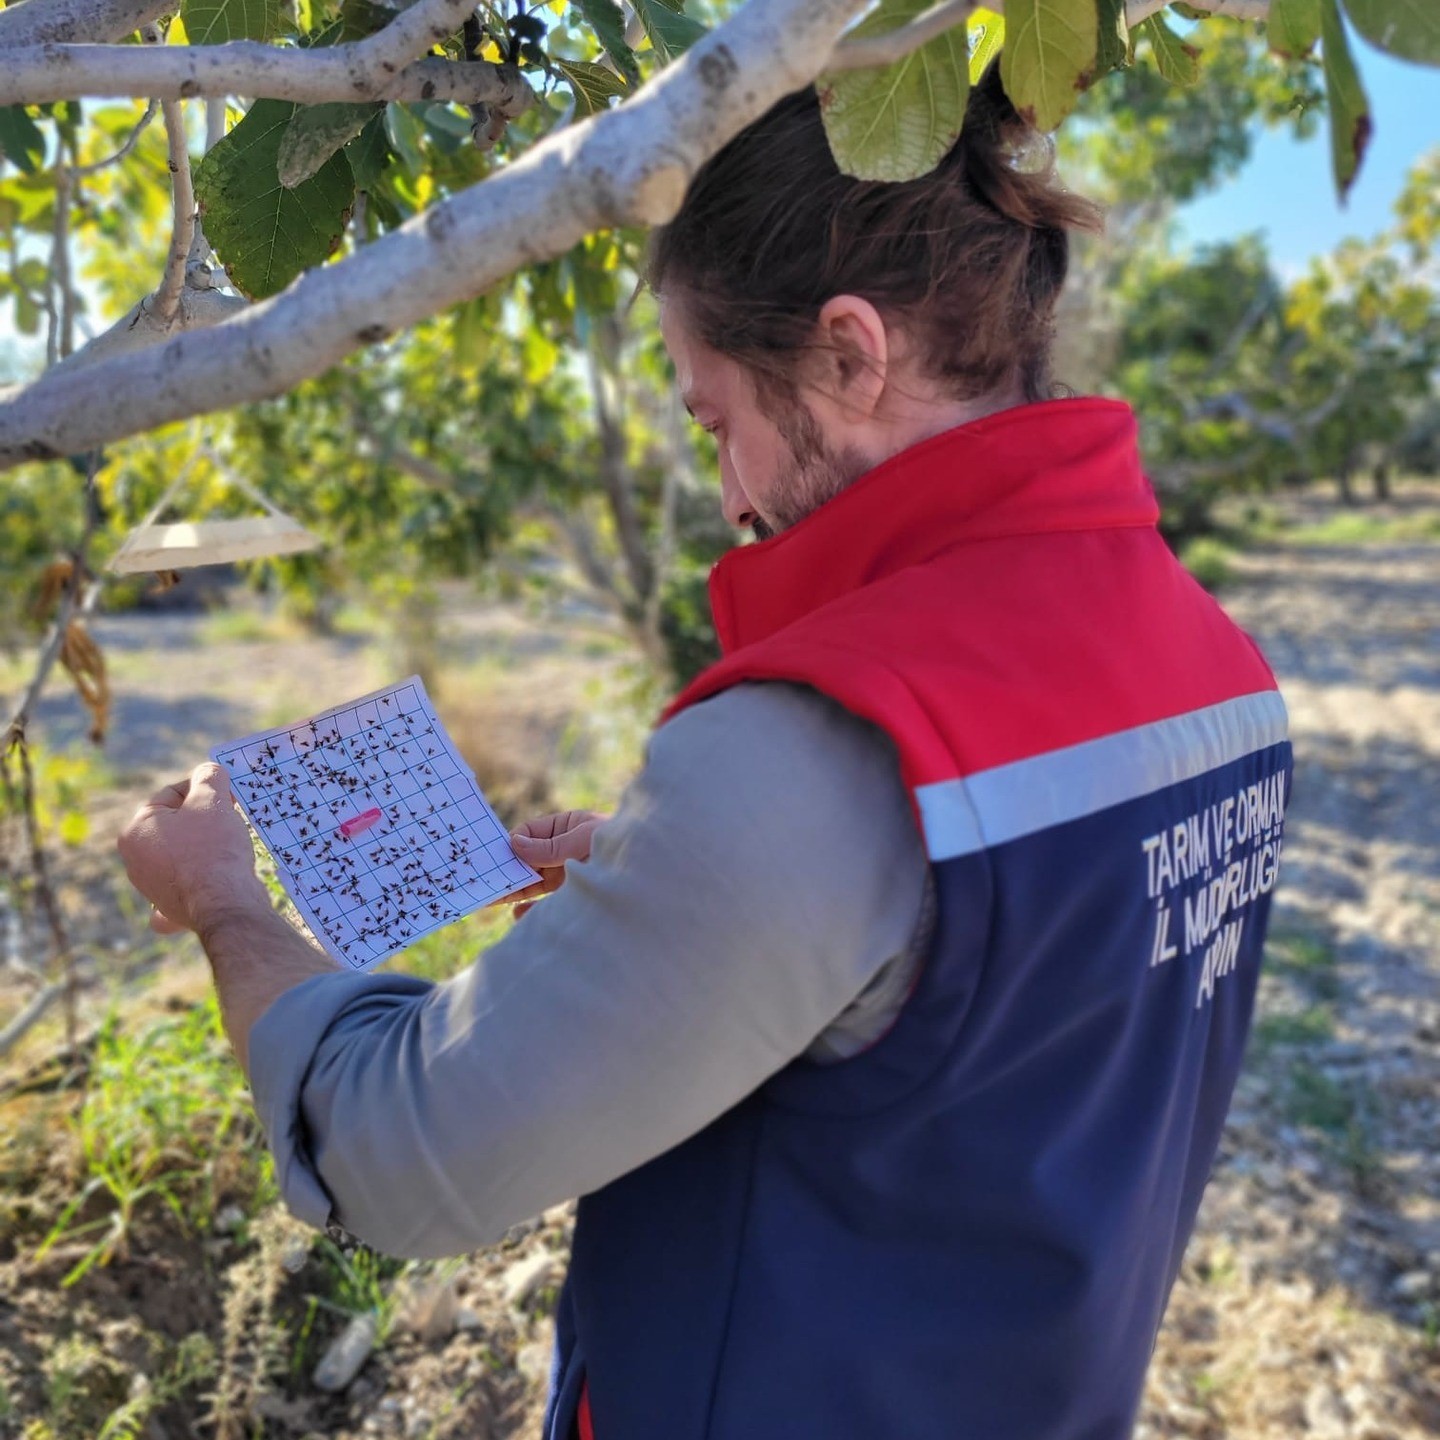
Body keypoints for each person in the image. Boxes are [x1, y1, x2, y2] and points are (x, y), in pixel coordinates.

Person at [118, 69, 1293, 1440]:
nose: (731, 498)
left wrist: (224, 903)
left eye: (714, 419)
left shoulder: (823, 743)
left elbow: (398, 1157)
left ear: (851, 355)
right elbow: (989, 998)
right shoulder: (1223, 669)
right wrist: (669, 892)